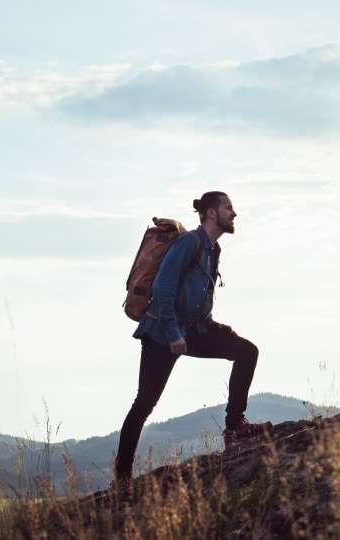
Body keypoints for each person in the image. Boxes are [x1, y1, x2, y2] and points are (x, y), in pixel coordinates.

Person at [114, 191, 266, 485]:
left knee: (246, 352)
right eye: (228, 208)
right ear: (211, 213)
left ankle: (234, 427)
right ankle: (122, 476)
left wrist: (215, 327)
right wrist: (172, 334)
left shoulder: (213, 250)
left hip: (193, 330)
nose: (234, 214)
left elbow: (198, 298)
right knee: (144, 403)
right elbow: (163, 288)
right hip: (162, 334)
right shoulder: (189, 243)